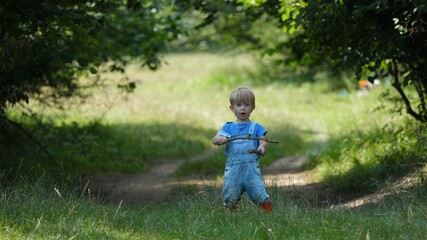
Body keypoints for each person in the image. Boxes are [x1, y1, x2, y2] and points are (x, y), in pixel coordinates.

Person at [212, 87, 272, 213]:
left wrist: (262, 147)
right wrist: (221, 139)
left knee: (259, 192)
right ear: (232, 108)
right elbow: (215, 139)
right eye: (238, 105)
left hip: (251, 170)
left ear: (253, 107)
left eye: (247, 105)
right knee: (230, 193)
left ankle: (268, 214)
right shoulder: (228, 127)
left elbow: (263, 140)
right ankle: (230, 214)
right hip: (233, 170)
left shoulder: (256, 127)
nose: (243, 108)